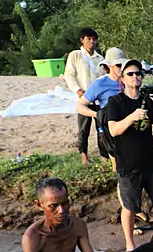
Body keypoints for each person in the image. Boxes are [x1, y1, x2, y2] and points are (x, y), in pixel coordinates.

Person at [107, 58, 153, 251]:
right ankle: (129, 245)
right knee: (130, 207)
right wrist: (131, 117)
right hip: (128, 164)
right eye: (131, 74)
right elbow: (113, 130)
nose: (136, 76)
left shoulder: (147, 101)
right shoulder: (115, 102)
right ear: (122, 79)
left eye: (138, 73)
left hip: (151, 162)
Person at [75, 47, 128, 172]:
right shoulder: (100, 84)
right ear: (109, 66)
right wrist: (98, 114)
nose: (122, 68)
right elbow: (79, 106)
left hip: (128, 123)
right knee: (118, 165)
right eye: (118, 65)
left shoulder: (129, 78)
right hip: (111, 126)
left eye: (123, 64)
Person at [64, 28, 104, 165]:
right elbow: (69, 75)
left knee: (101, 128)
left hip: (99, 99)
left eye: (94, 39)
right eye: (89, 39)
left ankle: (104, 155)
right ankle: (84, 156)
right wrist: (77, 89)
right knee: (83, 128)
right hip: (84, 97)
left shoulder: (100, 58)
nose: (92, 42)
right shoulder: (75, 55)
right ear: (82, 40)